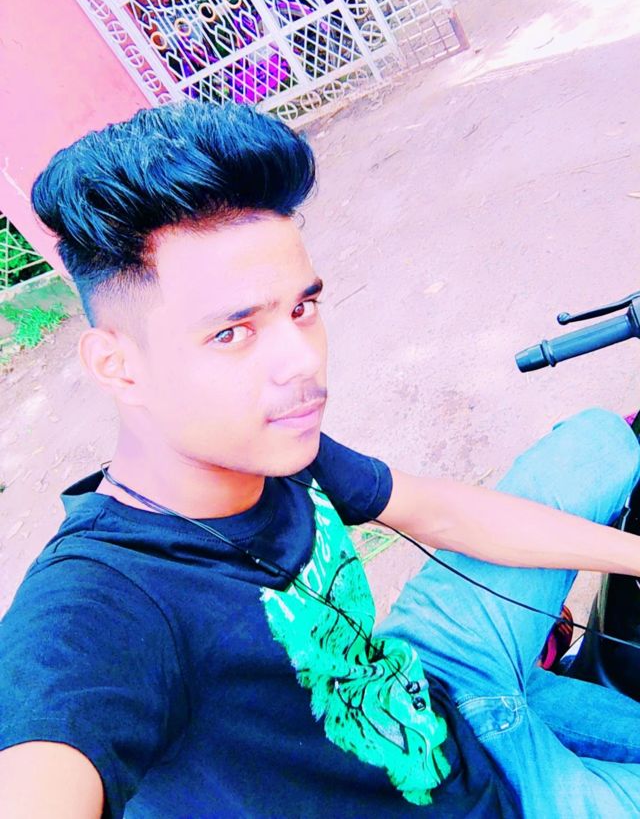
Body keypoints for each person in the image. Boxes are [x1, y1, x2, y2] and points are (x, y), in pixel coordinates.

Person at [1, 102, 640, 819]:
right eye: (232, 332)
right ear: (117, 365)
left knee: (599, 442)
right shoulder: (100, 608)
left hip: (430, 679)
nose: (300, 361)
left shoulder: (265, 447)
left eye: (301, 309)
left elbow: (437, 511)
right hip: (480, 803)